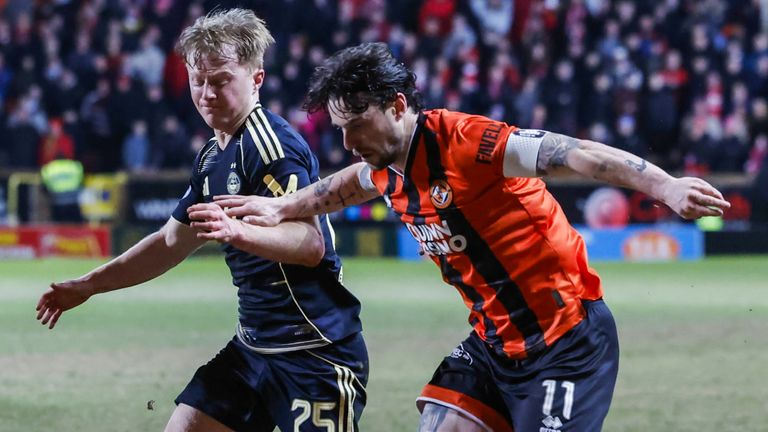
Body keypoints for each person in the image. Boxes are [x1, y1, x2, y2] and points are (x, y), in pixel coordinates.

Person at [208, 42, 731, 431]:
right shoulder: (383, 163)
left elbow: (575, 153)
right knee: (440, 423)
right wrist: (281, 206)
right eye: (339, 129)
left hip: (567, 341)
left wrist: (665, 184)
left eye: (357, 124)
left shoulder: (467, 142)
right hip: (494, 346)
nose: (347, 143)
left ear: (396, 105)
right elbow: (344, 187)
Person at [35, 10, 368, 432]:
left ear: (256, 79)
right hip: (254, 348)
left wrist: (237, 231)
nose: (207, 93)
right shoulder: (212, 155)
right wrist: (90, 284)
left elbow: (309, 244)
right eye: (198, 80)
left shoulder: (271, 146)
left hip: (314, 351)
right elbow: (171, 243)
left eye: (221, 80)